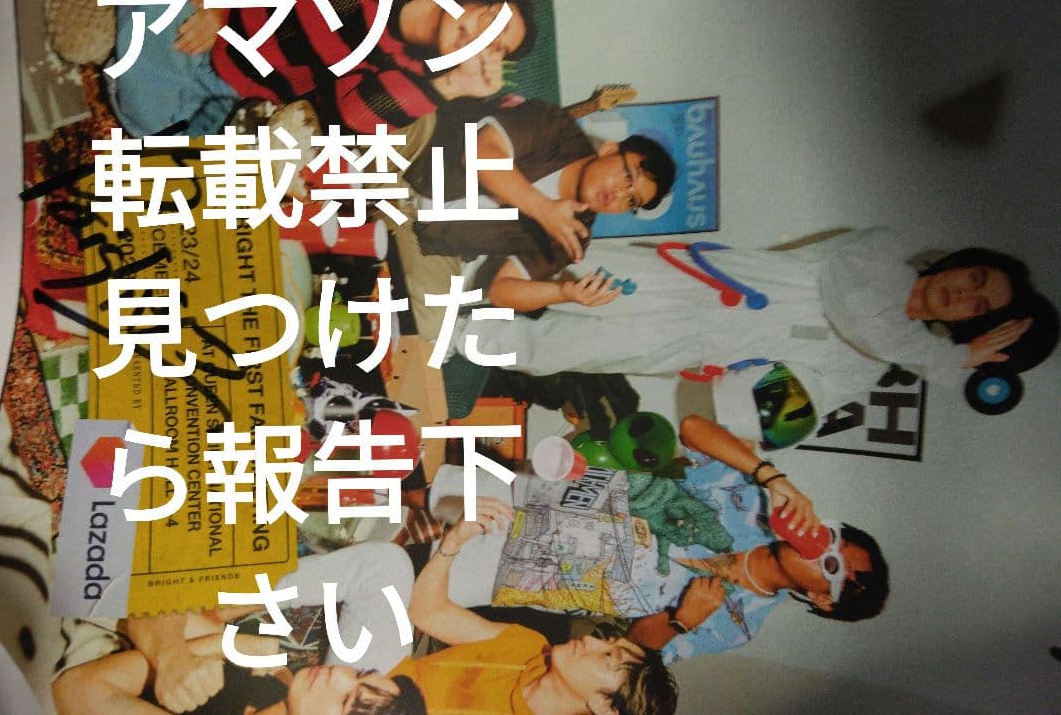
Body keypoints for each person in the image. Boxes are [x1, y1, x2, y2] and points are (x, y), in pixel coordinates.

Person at [423, 413, 888, 665]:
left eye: (831, 565)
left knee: (412, 569)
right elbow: (692, 428)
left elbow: (636, 650)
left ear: (823, 600)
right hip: (535, 495)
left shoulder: (738, 625)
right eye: (831, 538)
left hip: (526, 571)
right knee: (413, 489)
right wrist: (772, 477)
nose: (819, 547)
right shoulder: (752, 501)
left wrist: (682, 621)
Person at [456, 227, 1057, 414]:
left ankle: (442, 340)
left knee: (544, 351)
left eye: (980, 308)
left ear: (974, 328)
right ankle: (437, 270)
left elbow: (783, 411)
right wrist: (951, 362)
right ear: (967, 261)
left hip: (683, 342)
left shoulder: (869, 370)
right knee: (549, 268)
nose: (964, 293)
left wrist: (746, 394)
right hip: (684, 283)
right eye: (977, 277)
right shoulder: (886, 253)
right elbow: (856, 310)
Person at [105, 0, 535, 137]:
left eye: (498, 49)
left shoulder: (418, 79)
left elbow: (350, 117)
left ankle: (131, 59)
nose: (484, 40)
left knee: (156, 126)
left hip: (231, 94)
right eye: (493, 18)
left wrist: (453, 85)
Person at [52, 543, 424, 715]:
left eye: (347, 703)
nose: (339, 674)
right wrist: (219, 642)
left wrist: (214, 647)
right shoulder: (276, 686)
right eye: (360, 674)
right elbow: (155, 607)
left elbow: (75, 689)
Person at [400, 501, 679, 715]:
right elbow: (429, 613)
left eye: (607, 656)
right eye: (608, 642)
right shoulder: (530, 646)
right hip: (384, 676)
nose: (590, 641)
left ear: (603, 706)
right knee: (390, 560)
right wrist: (454, 540)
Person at [404, 98, 676, 313]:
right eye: (627, 176)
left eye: (632, 200)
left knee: (429, 324)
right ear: (609, 150)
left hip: (427, 236)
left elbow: (501, 291)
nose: (619, 194)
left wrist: (564, 292)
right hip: (418, 158)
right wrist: (543, 209)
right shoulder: (555, 127)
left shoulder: (573, 238)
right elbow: (479, 152)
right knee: (402, 115)